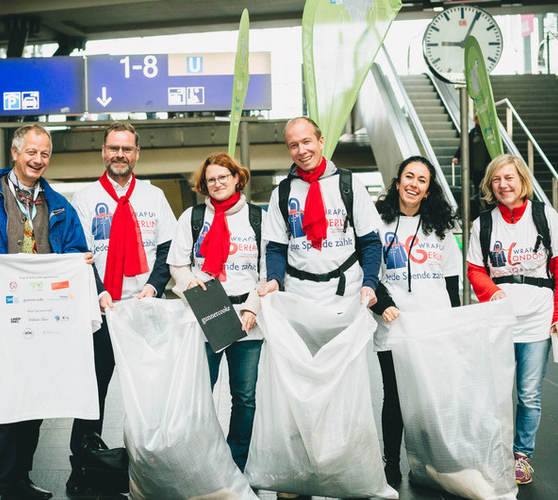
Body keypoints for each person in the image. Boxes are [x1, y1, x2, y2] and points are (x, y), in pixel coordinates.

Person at [0, 124, 90, 500]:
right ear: (14, 152)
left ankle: (20, 480)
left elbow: (74, 245)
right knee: (4, 404)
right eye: (32, 152)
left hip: (42, 322)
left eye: (45, 154)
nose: (38, 160)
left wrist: (79, 260)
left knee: (33, 402)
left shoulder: (57, 204)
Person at [258, 116, 383, 500]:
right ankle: (299, 471)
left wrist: (370, 284)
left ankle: (342, 466)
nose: (302, 150)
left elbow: (371, 241)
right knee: (297, 385)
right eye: (293, 145)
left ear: (321, 139)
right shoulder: (283, 192)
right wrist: (275, 280)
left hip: (343, 297)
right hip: (297, 299)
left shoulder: (348, 184)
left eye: (307, 141)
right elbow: (276, 246)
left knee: (343, 386)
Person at [65, 121, 176, 494]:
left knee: (145, 391)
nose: (120, 155)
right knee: (92, 391)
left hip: (142, 311)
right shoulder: (83, 198)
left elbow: (168, 248)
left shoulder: (153, 196)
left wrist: (154, 287)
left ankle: (144, 466)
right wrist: (97, 291)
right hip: (101, 310)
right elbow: (78, 254)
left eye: (127, 149)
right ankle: (81, 465)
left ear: (137, 154)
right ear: (103, 152)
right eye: (114, 148)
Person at [466, 154, 558, 486]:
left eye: (509, 178)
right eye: (497, 180)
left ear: (522, 180)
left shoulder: (545, 216)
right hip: (498, 320)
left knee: (529, 394)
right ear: (490, 185)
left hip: (537, 320)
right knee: (493, 392)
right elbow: (475, 270)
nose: (504, 185)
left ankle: (521, 456)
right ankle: (493, 453)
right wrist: (491, 292)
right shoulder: (482, 224)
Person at [167, 152, 264, 472]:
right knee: (199, 392)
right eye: (211, 179)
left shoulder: (257, 218)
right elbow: (177, 263)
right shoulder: (193, 218)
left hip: (248, 317)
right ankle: (202, 457)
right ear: (204, 185)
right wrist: (190, 283)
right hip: (207, 313)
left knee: (245, 397)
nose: (218, 183)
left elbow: (268, 270)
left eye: (224, 176)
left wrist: (253, 306)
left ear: (238, 178)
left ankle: (237, 462)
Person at [369, 156, 461, 485]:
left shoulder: (440, 226)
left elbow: (450, 281)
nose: (414, 184)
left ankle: (427, 463)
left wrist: (454, 322)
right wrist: (384, 306)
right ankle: (390, 464)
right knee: (394, 398)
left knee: (430, 397)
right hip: (394, 326)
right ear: (397, 183)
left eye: (422, 180)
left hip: (433, 325)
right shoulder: (377, 223)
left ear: (427, 190)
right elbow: (368, 274)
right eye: (409, 177)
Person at [451, 115, 492, 210]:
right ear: (475, 120)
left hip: (487, 167)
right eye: (478, 118)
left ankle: (488, 208)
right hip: (476, 168)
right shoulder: (472, 133)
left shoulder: (489, 132)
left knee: (487, 189)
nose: (480, 120)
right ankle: (479, 210)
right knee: (478, 189)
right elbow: (463, 146)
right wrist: (456, 156)